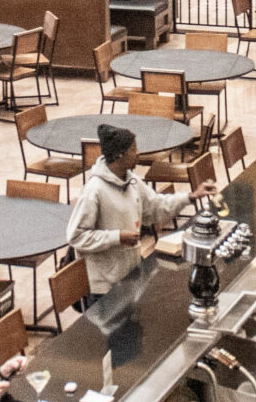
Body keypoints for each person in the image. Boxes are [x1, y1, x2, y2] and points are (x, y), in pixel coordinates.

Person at [62, 124, 185, 293]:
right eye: (133, 149)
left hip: (131, 276)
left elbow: (156, 206)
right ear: (120, 154)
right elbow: (76, 236)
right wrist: (117, 237)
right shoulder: (94, 190)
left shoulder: (132, 181)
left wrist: (188, 198)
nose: (138, 153)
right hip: (105, 288)